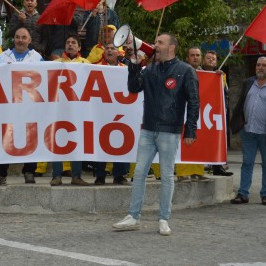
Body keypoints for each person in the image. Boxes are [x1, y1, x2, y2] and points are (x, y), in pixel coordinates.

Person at [113, 33, 199, 236]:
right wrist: (134, 64)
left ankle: (163, 218)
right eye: (156, 42)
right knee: (139, 173)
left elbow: (194, 102)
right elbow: (133, 88)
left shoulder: (185, 70)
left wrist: (191, 129)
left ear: (171, 47)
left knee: (167, 175)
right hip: (148, 129)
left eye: (160, 42)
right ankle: (133, 216)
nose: (155, 45)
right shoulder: (150, 69)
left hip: (170, 130)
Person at [229, 56, 266, 206]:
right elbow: (241, 103)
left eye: (264, 65)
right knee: (247, 163)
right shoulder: (248, 83)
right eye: (258, 65)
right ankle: (243, 194)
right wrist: (238, 122)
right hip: (248, 131)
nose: (260, 68)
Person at [0, 27, 43, 184]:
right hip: (7, 106)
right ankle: (0, 173)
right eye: (17, 37)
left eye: (23, 37)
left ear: (29, 40)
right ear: (13, 39)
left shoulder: (37, 58)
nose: (20, 40)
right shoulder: (2, 57)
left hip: (29, 106)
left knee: (30, 138)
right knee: (4, 139)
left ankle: (29, 171)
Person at [50, 34, 90, 186]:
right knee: (57, 141)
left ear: (79, 47)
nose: (70, 45)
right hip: (59, 109)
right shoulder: (56, 63)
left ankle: (76, 176)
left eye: (74, 43)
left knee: (77, 141)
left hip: (78, 110)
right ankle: (56, 175)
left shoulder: (86, 63)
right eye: (68, 42)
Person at [94, 43, 129, 185]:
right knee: (100, 143)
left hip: (120, 111)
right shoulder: (95, 68)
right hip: (101, 112)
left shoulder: (126, 70)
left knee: (119, 142)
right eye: (107, 48)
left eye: (112, 48)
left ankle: (119, 175)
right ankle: (100, 175)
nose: (109, 50)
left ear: (119, 53)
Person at [174, 47, 206, 182]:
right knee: (184, 141)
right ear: (187, 58)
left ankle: (198, 171)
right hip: (183, 111)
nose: (195, 58)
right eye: (192, 55)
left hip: (201, 113)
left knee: (199, 142)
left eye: (198, 55)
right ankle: (182, 172)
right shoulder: (181, 72)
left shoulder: (208, 74)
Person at [202, 50, 233, 177]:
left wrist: (220, 79)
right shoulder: (198, 72)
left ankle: (217, 166)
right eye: (208, 58)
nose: (210, 60)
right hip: (201, 111)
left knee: (217, 141)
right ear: (204, 60)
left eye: (213, 59)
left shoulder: (221, 75)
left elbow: (224, 93)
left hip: (215, 113)